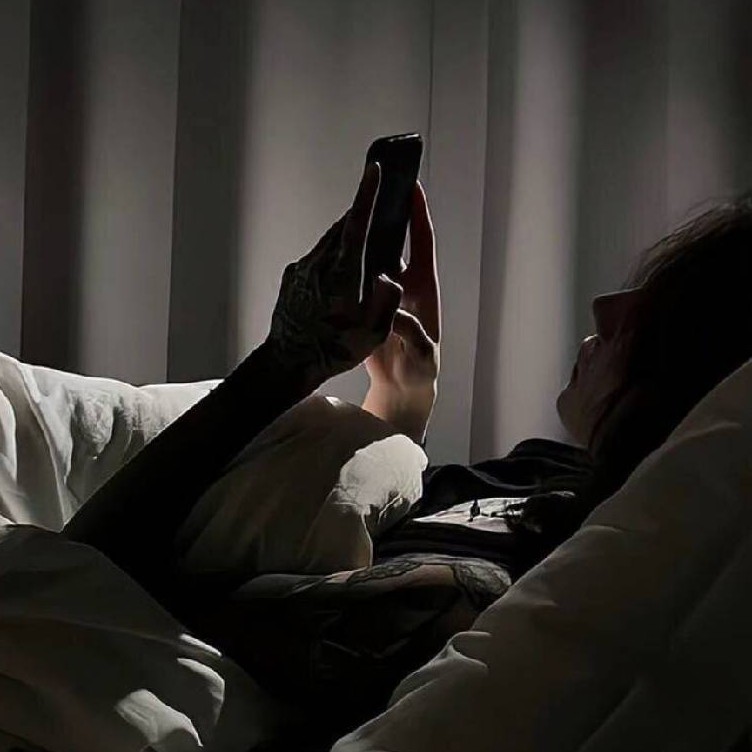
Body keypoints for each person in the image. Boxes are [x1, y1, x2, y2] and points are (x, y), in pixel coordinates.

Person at [63, 170, 752, 747]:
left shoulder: (495, 590)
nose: (605, 308)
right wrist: (399, 408)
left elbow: (100, 584)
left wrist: (286, 364)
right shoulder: (547, 470)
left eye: (659, 315)